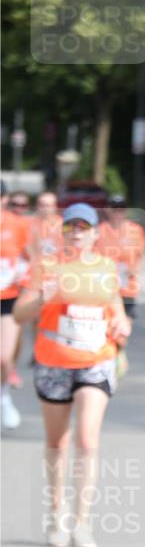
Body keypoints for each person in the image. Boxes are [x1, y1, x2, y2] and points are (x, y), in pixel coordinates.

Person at [13, 203, 131, 547]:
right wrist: (40, 300)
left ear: (96, 233)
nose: (77, 232)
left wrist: (122, 325)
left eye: (84, 226)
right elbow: (19, 314)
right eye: (71, 226)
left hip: (96, 361)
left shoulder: (107, 269)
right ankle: (56, 512)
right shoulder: (47, 267)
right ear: (63, 232)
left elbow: (118, 310)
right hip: (53, 363)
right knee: (57, 443)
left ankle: (82, 523)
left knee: (86, 439)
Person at [97, 194, 145, 376]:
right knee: (109, 325)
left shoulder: (135, 230)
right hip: (106, 288)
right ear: (107, 209)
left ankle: (119, 351)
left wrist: (133, 269)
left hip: (127, 287)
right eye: (114, 208)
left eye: (121, 208)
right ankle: (112, 356)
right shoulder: (99, 231)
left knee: (124, 327)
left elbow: (140, 254)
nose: (118, 212)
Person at [1, 182, 30, 428]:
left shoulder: (18, 225)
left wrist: (24, 275)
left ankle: (3, 397)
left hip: (9, 298)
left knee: (3, 357)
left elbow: (33, 258)